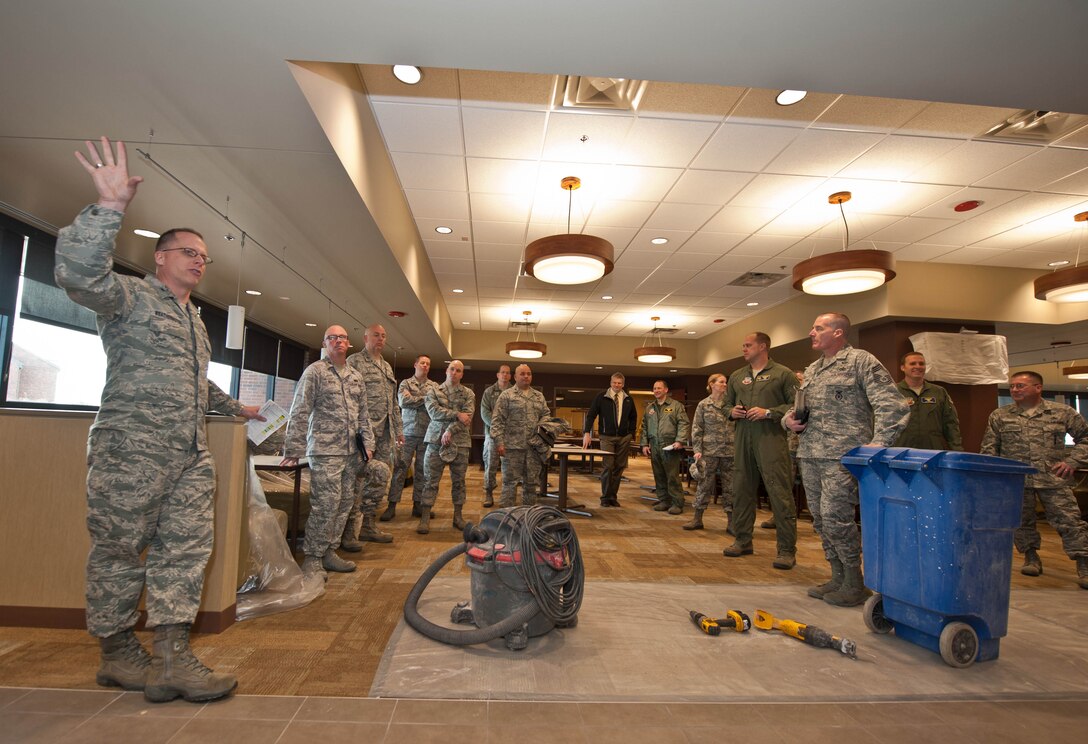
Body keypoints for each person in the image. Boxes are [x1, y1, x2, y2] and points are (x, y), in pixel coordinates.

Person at [54, 137, 264, 703]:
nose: (199, 259)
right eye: (188, 252)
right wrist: (110, 210)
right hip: (132, 449)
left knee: (186, 549)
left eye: (204, 255)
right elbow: (78, 276)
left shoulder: (194, 320)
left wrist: (233, 408)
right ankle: (119, 653)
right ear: (161, 257)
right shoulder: (128, 297)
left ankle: (172, 655)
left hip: (188, 453)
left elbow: (193, 384)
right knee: (120, 549)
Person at [784, 313, 909, 606]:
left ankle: (855, 581)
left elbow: (892, 404)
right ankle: (837, 575)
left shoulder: (861, 362)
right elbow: (799, 410)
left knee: (836, 517)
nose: (811, 332)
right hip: (812, 453)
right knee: (820, 520)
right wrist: (788, 421)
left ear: (838, 333)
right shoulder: (813, 369)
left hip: (843, 456)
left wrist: (879, 444)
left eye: (818, 328)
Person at [980, 371, 1088, 588]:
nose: (1015, 390)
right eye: (1012, 386)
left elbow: (1085, 438)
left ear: (1038, 388)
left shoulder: (1062, 412)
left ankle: (1083, 564)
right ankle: (1031, 558)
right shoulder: (1000, 416)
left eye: (1021, 386)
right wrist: (993, 478)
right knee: (1021, 523)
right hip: (1017, 480)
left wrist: (1073, 462)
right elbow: (989, 449)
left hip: (1053, 479)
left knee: (1070, 521)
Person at [282, 326, 374, 580]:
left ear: (349, 343)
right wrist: (293, 446)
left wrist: (368, 444)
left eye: (342, 337)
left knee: (345, 502)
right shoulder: (315, 372)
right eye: (332, 338)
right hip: (325, 451)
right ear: (324, 343)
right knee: (325, 505)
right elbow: (300, 408)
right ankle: (312, 557)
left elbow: (363, 415)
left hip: (350, 453)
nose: (337, 341)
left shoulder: (355, 376)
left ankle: (330, 552)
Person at [723, 333, 800, 569]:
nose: (744, 349)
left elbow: (797, 404)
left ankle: (786, 550)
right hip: (743, 438)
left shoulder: (783, 374)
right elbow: (726, 404)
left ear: (763, 346)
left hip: (771, 439)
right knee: (742, 489)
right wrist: (731, 411)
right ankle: (743, 540)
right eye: (743, 345)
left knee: (780, 493)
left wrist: (769, 412)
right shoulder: (737, 376)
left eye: (748, 345)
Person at [343, 324, 402, 547]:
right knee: (356, 481)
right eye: (376, 335)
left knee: (380, 478)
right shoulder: (355, 362)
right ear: (366, 337)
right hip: (363, 433)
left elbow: (393, 402)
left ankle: (368, 524)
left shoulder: (386, 366)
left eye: (384, 336)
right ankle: (349, 531)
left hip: (385, 433)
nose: (380, 339)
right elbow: (349, 399)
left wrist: (398, 430)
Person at [419, 360, 475, 533]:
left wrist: (450, 429)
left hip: (460, 441)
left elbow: (467, 418)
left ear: (462, 374)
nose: (454, 373)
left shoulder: (468, 393)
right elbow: (434, 412)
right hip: (436, 440)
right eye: (452, 369)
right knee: (430, 480)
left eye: (458, 370)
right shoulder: (433, 391)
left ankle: (458, 517)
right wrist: (456, 414)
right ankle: (425, 518)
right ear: (446, 370)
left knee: (459, 481)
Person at [383, 354, 438, 521]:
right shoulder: (406, 383)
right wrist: (424, 399)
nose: (425, 366)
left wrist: (414, 398)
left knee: (422, 471)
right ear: (415, 364)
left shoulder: (434, 386)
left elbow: (434, 405)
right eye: (422, 363)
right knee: (400, 469)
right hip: (406, 433)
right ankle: (392, 505)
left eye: (428, 364)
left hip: (426, 434)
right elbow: (403, 402)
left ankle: (418, 506)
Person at [490, 364, 551, 507]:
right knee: (510, 484)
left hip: (533, 449)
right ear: (515, 377)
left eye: (528, 373)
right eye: (522, 374)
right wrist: (499, 442)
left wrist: (542, 429)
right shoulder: (507, 395)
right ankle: (505, 520)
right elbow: (497, 421)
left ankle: (527, 519)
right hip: (512, 449)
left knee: (531, 485)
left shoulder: (538, 396)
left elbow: (546, 416)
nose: (526, 376)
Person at [685, 374, 734, 532]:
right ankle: (697, 519)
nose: (724, 385)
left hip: (730, 451)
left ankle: (731, 523)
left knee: (731, 487)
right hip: (709, 451)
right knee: (704, 485)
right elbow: (697, 429)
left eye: (725, 382)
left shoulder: (731, 403)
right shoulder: (703, 405)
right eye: (721, 382)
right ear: (711, 384)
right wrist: (697, 450)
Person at [582, 372, 638, 507]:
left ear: (623, 384)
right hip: (607, 437)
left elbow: (633, 417)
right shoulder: (601, 397)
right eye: (614, 382)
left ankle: (613, 496)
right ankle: (605, 497)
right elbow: (591, 415)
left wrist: (630, 433)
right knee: (608, 466)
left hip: (624, 438)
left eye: (619, 383)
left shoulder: (628, 399)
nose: (617, 385)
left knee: (619, 467)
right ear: (610, 383)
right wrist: (586, 433)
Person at [639, 380, 691, 515]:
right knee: (659, 475)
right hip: (654, 445)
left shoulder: (676, 406)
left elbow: (684, 423)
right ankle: (664, 501)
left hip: (670, 446)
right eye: (654, 388)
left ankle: (677, 503)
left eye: (659, 388)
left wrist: (680, 441)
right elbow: (644, 427)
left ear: (666, 390)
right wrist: (644, 444)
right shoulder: (650, 408)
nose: (656, 390)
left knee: (672, 476)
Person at [893, 352, 963, 450]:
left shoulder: (939, 392)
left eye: (921, 364)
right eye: (912, 364)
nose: (918, 366)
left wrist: (957, 450)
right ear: (903, 367)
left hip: (932, 452)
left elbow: (950, 423)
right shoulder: (893, 392)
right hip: (901, 452)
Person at [479, 364, 512, 508]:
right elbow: (484, 412)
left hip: (511, 436)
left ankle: (507, 496)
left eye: (507, 373)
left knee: (509, 466)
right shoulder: (489, 392)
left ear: (510, 376)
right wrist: (497, 426)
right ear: (497, 375)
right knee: (490, 465)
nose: (505, 375)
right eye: (502, 373)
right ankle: (488, 494)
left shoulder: (514, 391)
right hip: (492, 435)